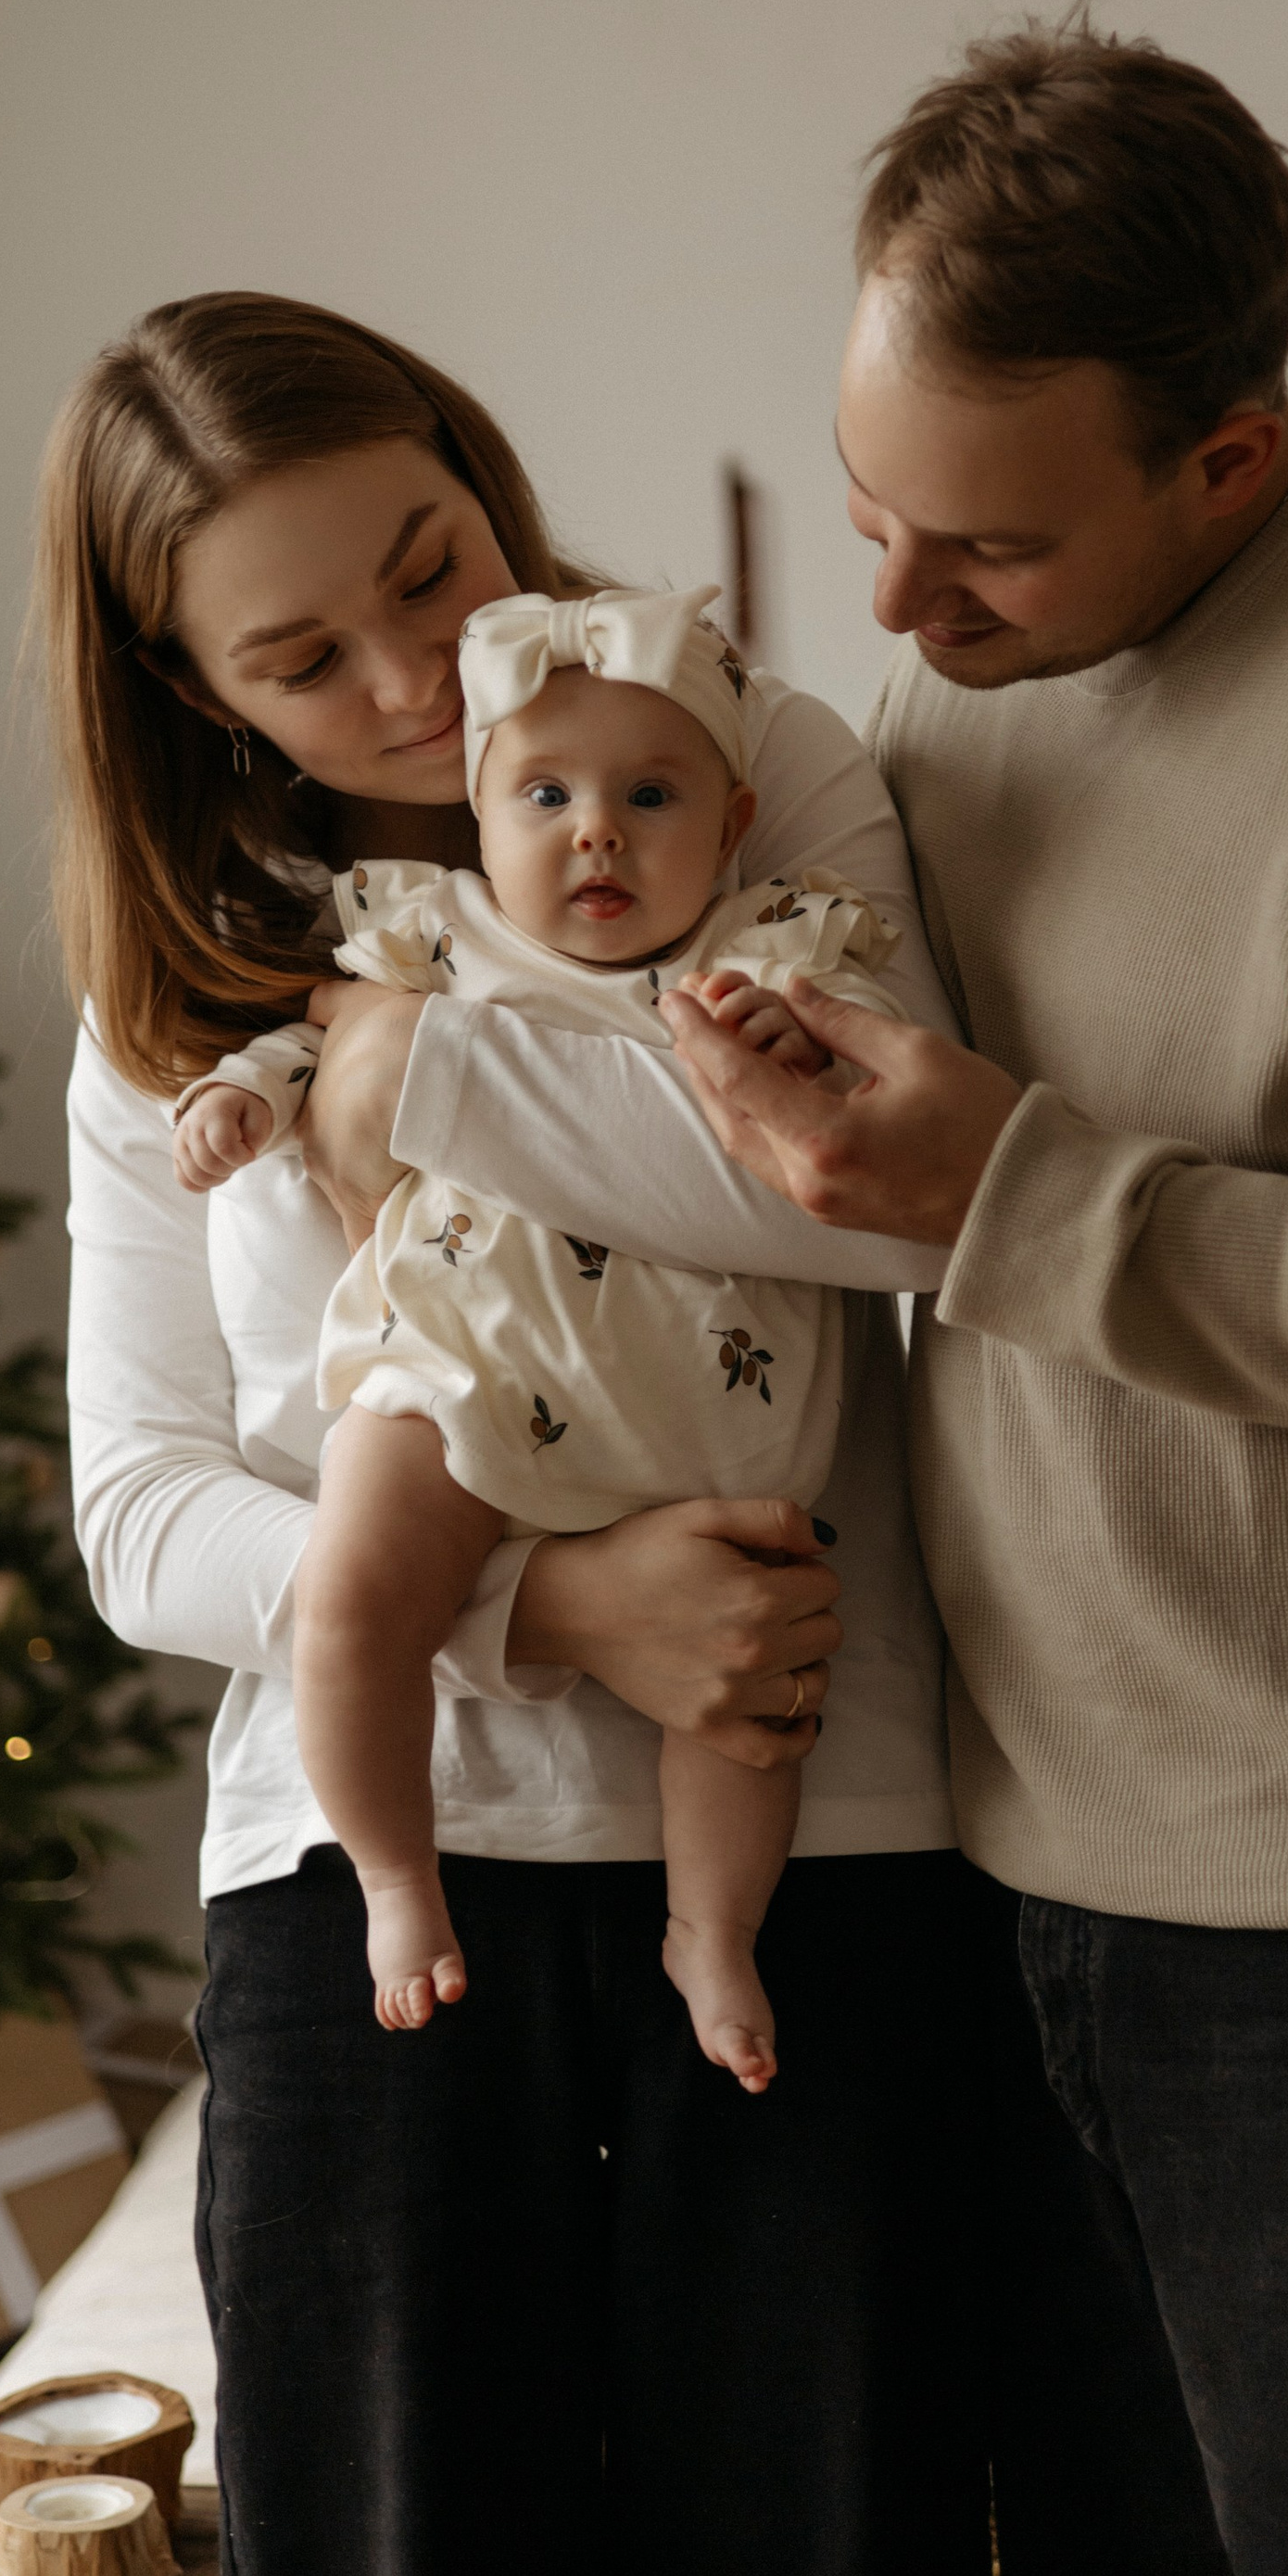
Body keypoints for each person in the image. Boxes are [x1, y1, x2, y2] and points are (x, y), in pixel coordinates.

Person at [304, 15, 1288, 2576]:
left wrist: (1026, 1192)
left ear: (1230, 461)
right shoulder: (964, 692)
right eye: (865, 512)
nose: (893, 616)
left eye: (977, 543)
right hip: (1034, 1884)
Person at [38, 293, 992, 2576]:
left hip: (821, 1844)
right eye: (299, 656)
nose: (407, 683)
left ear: (482, 471)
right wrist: (549, 1609)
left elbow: (889, 1211)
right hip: (368, 1900)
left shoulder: (747, 764)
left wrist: (413, 1073)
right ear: (188, 683)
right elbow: (142, 1511)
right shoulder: (179, 980)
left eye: (428, 569)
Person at [172, 578, 905, 2083]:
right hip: (464, 1371)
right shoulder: (432, 942)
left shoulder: (769, 952)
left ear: (736, 814)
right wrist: (240, 1095)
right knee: (355, 1595)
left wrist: (777, 1043)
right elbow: (307, 1049)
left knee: (756, 1695)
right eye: (547, 795)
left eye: (652, 796)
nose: (598, 833)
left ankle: (712, 1935)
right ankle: (390, 1872)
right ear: (479, 812)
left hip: (707, 1421)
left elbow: (882, 1156)